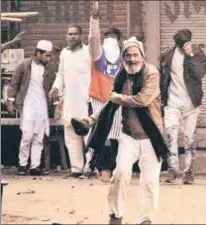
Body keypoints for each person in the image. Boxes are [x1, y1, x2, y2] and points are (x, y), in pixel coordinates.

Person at [83, 36, 168, 225]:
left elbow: (142, 100)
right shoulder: (121, 75)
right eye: (128, 55)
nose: (132, 59)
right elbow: (110, 103)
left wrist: (119, 98)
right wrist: (92, 119)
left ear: (142, 56)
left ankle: (145, 220)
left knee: (149, 182)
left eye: (135, 55)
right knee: (120, 173)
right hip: (128, 135)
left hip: (151, 136)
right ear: (123, 57)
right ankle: (116, 214)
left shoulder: (151, 73)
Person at [159, 29, 206, 184]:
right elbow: (163, 77)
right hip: (172, 103)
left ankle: (188, 172)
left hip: (190, 104)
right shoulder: (168, 55)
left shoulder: (198, 54)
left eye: (186, 44)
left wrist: (190, 56)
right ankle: (172, 169)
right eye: (181, 45)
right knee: (171, 134)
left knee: (189, 138)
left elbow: (199, 73)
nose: (184, 47)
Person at [81, 1, 123, 180]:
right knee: (100, 134)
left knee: (116, 135)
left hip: (117, 100)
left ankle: (112, 168)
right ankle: (97, 166)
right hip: (99, 99)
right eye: (106, 35)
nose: (109, 38)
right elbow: (93, 40)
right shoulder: (98, 55)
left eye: (112, 35)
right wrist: (95, 20)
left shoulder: (125, 57)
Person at [6, 40, 56, 175]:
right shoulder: (24, 65)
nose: (49, 58)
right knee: (27, 135)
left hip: (42, 105)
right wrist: (10, 101)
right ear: (38, 53)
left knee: (39, 137)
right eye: (46, 55)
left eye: (50, 55)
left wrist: (56, 105)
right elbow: (14, 84)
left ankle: (35, 166)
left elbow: (53, 87)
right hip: (27, 103)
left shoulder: (50, 67)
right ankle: (22, 165)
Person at [49, 24, 91, 178]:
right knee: (71, 135)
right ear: (66, 36)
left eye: (75, 34)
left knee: (87, 134)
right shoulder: (64, 54)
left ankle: (89, 168)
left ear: (81, 36)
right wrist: (55, 87)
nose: (72, 36)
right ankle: (76, 169)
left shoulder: (88, 52)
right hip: (70, 101)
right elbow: (60, 74)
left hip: (86, 100)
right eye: (69, 34)